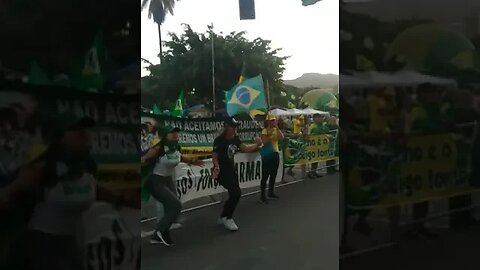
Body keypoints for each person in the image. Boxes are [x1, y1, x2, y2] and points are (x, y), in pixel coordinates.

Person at [1, 111, 139, 270]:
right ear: (61, 137)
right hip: (40, 244)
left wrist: (121, 200)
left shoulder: (86, 167)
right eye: (77, 129)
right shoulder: (44, 167)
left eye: (86, 129)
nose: (85, 134)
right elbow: (9, 193)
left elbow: (94, 190)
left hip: (69, 242)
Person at [141, 126, 203, 246]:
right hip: (155, 180)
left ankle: (157, 235)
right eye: (171, 132)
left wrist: (192, 161)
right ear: (165, 134)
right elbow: (144, 157)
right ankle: (160, 232)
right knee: (175, 205)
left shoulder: (176, 146)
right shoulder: (158, 147)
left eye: (176, 132)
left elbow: (180, 157)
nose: (175, 134)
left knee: (172, 207)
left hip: (168, 180)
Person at [212, 118, 262, 231]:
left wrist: (257, 144)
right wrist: (216, 166)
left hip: (231, 171)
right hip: (222, 172)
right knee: (236, 193)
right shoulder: (219, 140)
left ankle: (224, 216)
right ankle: (228, 218)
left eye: (236, 126)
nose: (235, 128)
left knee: (235, 194)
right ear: (226, 127)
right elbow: (215, 155)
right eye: (232, 126)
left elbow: (246, 148)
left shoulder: (235, 139)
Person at [259, 114, 284, 203]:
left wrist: (277, 128)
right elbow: (264, 142)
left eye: (274, 120)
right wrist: (269, 135)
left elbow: (281, 138)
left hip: (275, 153)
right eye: (271, 120)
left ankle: (271, 191)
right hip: (267, 155)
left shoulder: (276, 130)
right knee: (265, 176)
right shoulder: (264, 130)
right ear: (268, 122)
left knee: (273, 174)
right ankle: (262, 195)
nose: (273, 122)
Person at [308, 114, 330, 178]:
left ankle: (314, 172)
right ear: (314, 119)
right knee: (313, 160)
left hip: (320, 146)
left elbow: (326, 131)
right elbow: (309, 135)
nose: (320, 119)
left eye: (320, 117)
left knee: (317, 159)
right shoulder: (312, 126)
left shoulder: (322, 125)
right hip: (313, 146)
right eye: (318, 117)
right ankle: (311, 173)